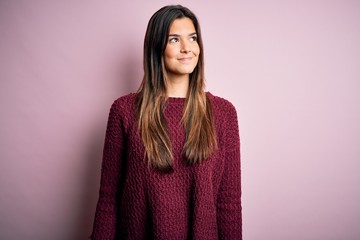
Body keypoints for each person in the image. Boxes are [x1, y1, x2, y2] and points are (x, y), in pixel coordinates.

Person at [91, 5, 242, 240]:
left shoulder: (223, 113)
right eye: (174, 39)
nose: (187, 48)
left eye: (193, 38)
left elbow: (228, 203)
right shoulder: (124, 111)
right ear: (156, 48)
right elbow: (109, 198)